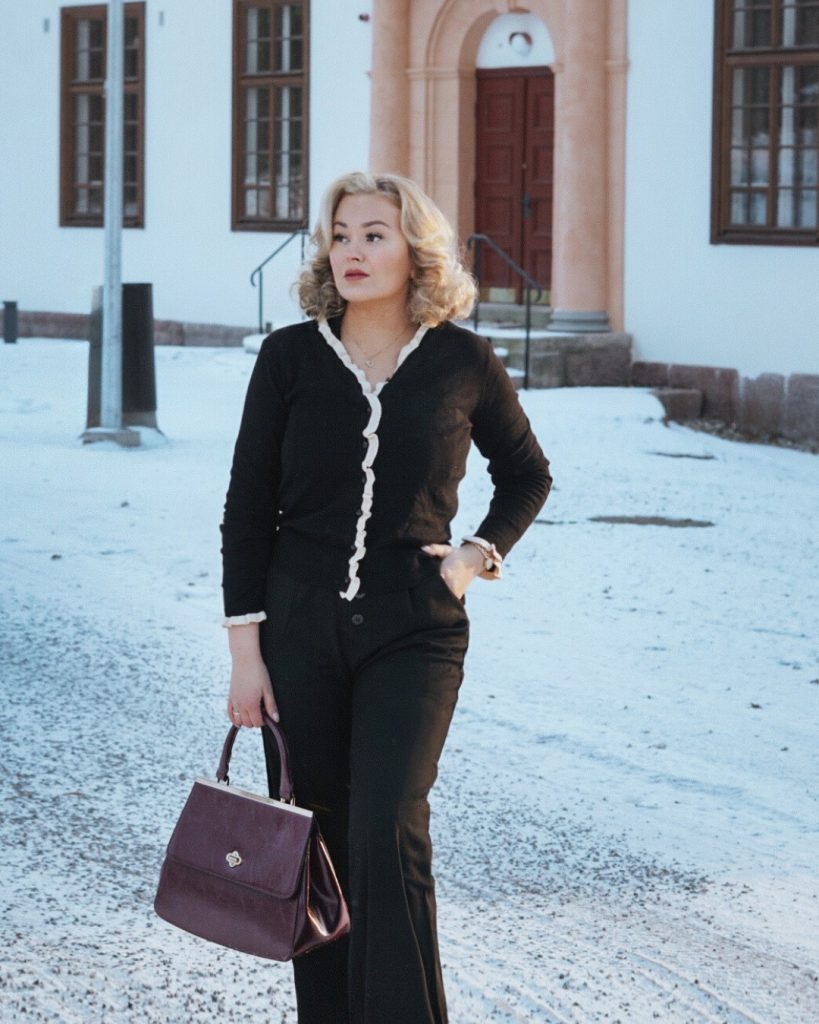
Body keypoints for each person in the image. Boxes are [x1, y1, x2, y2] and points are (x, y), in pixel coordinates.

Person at [220, 171, 551, 1024]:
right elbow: (247, 509)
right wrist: (245, 656)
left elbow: (526, 475)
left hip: (416, 625)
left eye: (375, 233)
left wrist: (474, 557)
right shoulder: (288, 356)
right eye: (340, 234)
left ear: (415, 248)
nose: (354, 251)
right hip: (297, 628)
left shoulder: (462, 359)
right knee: (317, 838)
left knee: (387, 825)